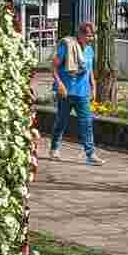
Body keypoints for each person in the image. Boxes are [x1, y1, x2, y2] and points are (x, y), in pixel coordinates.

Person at [50, 19, 103, 165]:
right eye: (88, 35)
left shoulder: (90, 50)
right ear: (79, 34)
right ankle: (54, 148)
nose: (90, 39)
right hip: (66, 91)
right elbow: (54, 66)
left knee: (86, 122)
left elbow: (90, 70)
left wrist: (94, 86)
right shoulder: (66, 46)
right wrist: (59, 83)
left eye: (92, 36)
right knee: (61, 121)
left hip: (82, 92)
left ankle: (90, 154)